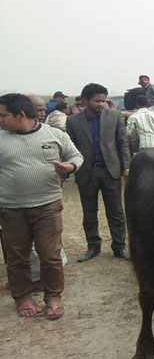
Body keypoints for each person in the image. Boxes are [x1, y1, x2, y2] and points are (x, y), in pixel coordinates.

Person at [0, 93, 83, 320]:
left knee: (51, 256)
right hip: (10, 209)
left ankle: (53, 297)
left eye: (3, 115)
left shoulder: (55, 134)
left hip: (47, 206)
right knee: (17, 257)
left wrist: (70, 166)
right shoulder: (1, 138)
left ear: (21, 114)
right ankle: (23, 298)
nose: (0, 120)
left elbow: (76, 155)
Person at [66, 83, 131, 262]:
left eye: (103, 100)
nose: (101, 104)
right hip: (87, 172)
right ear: (85, 100)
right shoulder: (73, 121)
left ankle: (119, 246)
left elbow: (122, 143)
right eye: (97, 101)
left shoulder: (115, 116)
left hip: (110, 171)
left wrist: (126, 167)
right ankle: (93, 247)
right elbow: (70, 147)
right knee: (89, 212)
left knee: (116, 211)